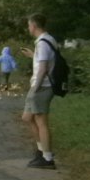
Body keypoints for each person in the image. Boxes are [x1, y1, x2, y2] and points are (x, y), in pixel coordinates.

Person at [20, 13, 57, 169]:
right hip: (41, 86)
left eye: (29, 25)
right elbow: (46, 61)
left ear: (34, 25)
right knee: (27, 118)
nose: (28, 28)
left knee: (41, 122)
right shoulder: (48, 40)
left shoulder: (42, 43)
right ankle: (41, 151)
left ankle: (47, 158)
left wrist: (35, 88)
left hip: (42, 87)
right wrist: (33, 56)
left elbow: (42, 69)